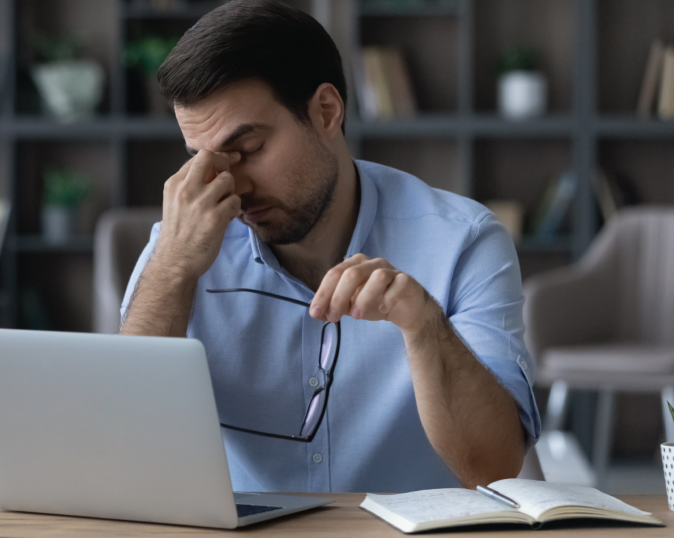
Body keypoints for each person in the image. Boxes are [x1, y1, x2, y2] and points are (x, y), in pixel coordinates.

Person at [119, 0, 540, 493]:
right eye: (204, 159)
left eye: (250, 149)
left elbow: (494, 467)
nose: (233, 184)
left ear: (326, 111)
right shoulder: (179, 245)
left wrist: (425, 326)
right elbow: (128, 443)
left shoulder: (462, 241)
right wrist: (172, 267)